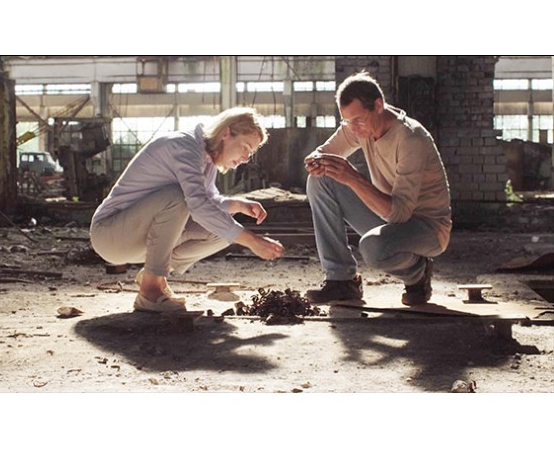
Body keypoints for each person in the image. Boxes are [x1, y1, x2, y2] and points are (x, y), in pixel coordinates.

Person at [90, 107, 284, 313]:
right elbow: (197, 205)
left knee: (220, 231)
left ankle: (152, 275)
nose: (246, 158)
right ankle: (149, 291)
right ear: (226, 133)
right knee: (177, 197)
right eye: (245, 147)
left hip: (138, 238)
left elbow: (207, 202)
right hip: (110, 235)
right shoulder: (184, 146)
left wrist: (238, 205)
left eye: (250, 153)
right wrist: (252, 241)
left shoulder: (207, 157)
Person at [304, 71, 451, 306]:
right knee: (321, 180)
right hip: (388, 215)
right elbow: (325, 152)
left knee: (373, 247)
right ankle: (341, 281)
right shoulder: (359, 126)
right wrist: (315, 160)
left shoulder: (410, 138)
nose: (353, 128)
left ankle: (418, 272)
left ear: (379, 106)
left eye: (358, 120)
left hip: (426, 228)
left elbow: (400, 213)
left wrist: (353, 178)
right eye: (347, 121)